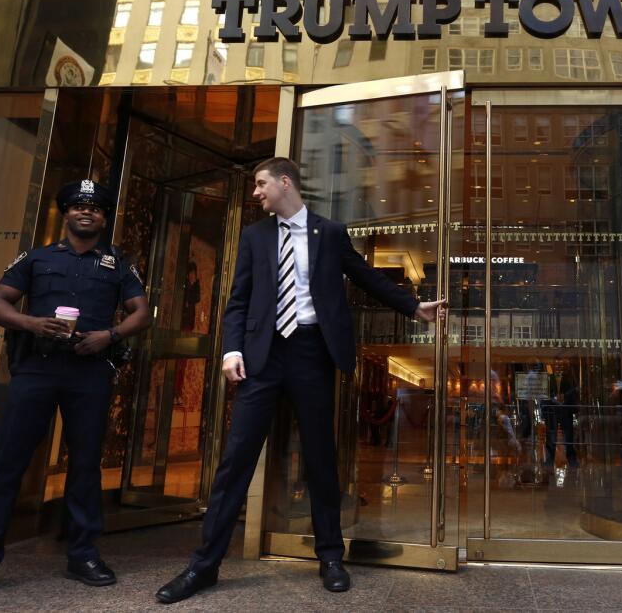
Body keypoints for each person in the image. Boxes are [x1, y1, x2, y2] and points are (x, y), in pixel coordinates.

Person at [155, 157, 446, 603]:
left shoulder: (329, 233)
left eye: (261, 184)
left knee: (320, 458)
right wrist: (233, 349)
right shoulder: (255, 237)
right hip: (262, 357)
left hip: (312, 354)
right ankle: (204, 566)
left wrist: (413, 307)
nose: (256, 193)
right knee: (236, 460)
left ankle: (330, 557)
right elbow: (238, 300)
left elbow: (365, 277)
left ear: (284, 182)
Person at [0, 180, 152, 607]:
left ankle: (83, 555)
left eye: (95, 208)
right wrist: (34, 323)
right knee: (8, 465)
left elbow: (141, 313)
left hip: (89, 372)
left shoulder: (117, 263)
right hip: (36, 369)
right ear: (66, 213)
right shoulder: (36, 258)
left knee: (86, 465)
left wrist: (108, 336)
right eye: (78, 206)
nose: (87, 212)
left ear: (105, 218)